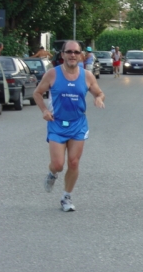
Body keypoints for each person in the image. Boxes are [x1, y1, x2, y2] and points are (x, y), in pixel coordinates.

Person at [33, 40, 105, 212]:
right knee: (58, 164)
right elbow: (37, 93)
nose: (72, 55)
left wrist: (99, 98)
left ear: (81, 55)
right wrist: (44, 110)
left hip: (78, 124)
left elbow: (99, 92)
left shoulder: (87, 75)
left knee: (73, 162)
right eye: (69, 52)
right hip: (57, 123)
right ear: (63, 54)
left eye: (76, 52)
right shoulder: (52, 74)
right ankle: (52, 173)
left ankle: (66, 196)